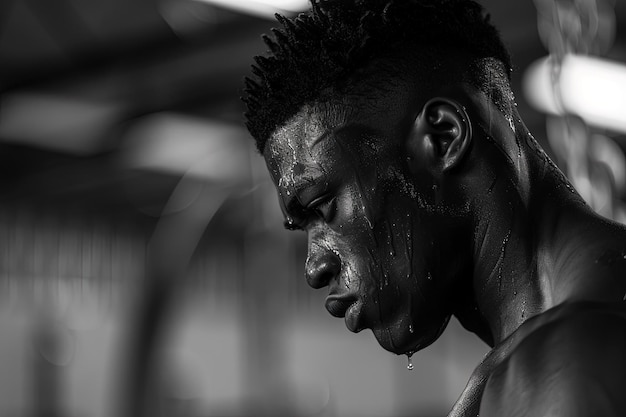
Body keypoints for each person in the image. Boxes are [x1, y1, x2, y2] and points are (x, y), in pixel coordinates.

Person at [242, 0, 626, 415]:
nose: (314, 268)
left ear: (443, 138)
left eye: (321, 206)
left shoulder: (564, 364)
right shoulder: (536, 361)